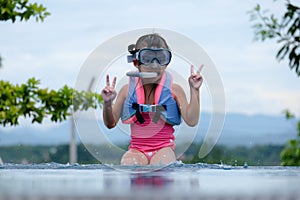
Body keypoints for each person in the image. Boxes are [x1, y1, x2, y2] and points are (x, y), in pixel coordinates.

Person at [101, 33, 203, 165]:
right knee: (129, 162)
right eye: (147, 58)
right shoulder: (126, 91)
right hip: (136, 150)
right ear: (136, 62)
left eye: (161, 58)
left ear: (166, 63)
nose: (155, 65)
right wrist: (107, 103)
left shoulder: (174, 90)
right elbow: (110, 123)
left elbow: (192, 120)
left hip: (164, 149)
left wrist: (194, 90)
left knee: (161, 164)